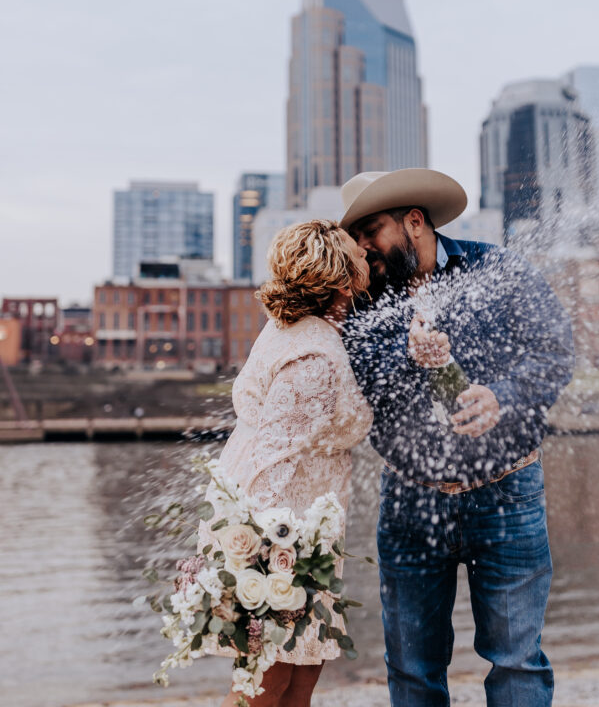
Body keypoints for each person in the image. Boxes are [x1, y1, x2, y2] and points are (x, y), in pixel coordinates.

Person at [340, 168, 574, 707]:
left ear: (414, 221)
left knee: (517, 663)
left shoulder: (496, 267)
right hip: (410, 499)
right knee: (412, 668)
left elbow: (555, 351)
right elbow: (361, 374)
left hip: (507, 493)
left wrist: (502, 395)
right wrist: (407, 354)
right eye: (355, 238)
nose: (363, 248)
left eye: (371, 230)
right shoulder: (363, 299)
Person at [201, 219, 373, 707]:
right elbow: (269, 465)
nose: (364, 250)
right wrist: (263, 568)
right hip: (279, 532)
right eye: (353, 250)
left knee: (300, 675)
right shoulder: (313, 358)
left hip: (304, 527)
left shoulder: (301, 329)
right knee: (266, 679)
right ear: (342, 281)